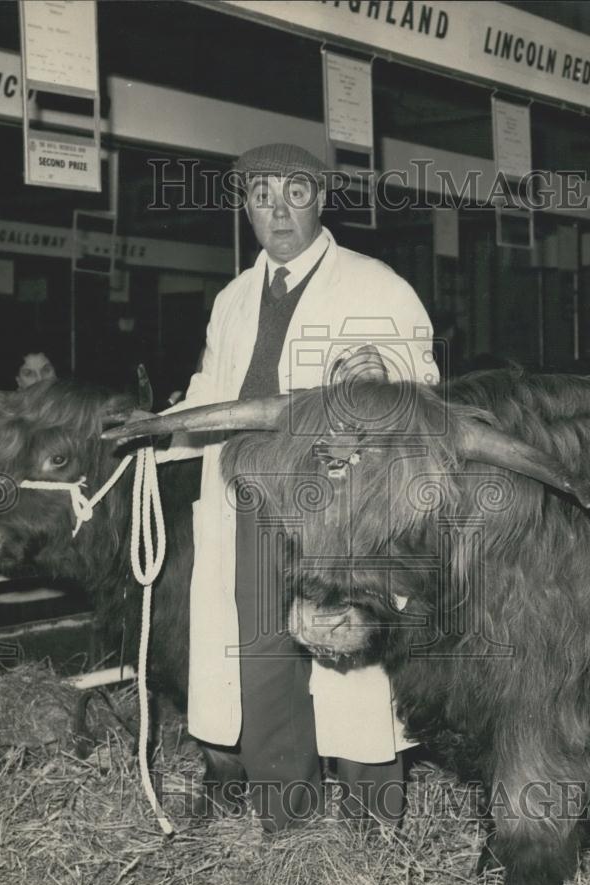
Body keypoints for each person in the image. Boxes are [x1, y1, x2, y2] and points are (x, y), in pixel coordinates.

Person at [155, 143, 440, 833]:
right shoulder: (231, 300)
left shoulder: (377, 285)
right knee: (262, 660)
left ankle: (375, 828)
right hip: (249, 508)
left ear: (321, 198)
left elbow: (422, 386)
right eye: (261, 195)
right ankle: (287, 827)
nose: (277, 211)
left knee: (351, 657)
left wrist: (386, 374)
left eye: (294, 192)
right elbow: (211, 392)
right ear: (244, 205)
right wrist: (156, 431)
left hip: (334, 515)